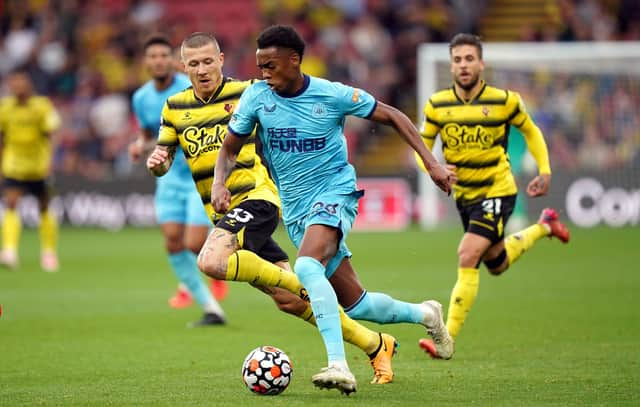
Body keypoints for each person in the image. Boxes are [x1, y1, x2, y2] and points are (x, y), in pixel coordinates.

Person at [146, 32, 401, 391]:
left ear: (221, 59)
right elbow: (163, 159)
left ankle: (308, 282)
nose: (202, 69)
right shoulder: (174, 107)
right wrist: (157, 161)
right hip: (221, 214)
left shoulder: (252, 91)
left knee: (211, 261)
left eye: (208, 61)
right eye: (193, 64)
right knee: (290, 301)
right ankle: (375, 344)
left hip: (257, 199)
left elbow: (291, 94)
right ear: (182, 67)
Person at [213, 25, 457, 394]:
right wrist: (219, 182)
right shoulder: (256, 98)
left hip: (334, 192)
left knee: (307, 267)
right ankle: (426, 314)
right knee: (356, 306)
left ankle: (338, 365)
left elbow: (394, 116)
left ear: (294, 61)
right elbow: (230, 149)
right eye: (260, 66)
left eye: (271, 66)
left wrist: (432, 164)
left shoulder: (333, 95)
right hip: (295, 210)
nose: (264, 74)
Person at [414, 33, 570, 359]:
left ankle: (446, 338)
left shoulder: (504, 100)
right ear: (452, 65)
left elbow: (531, 130)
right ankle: (545, 226)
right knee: (496, 263)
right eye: (457, 60)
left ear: (481, 63)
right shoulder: (438, 105)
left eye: (469, 59)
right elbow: (421, 148)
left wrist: (545, 170)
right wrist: (434, 168)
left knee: (467, 254)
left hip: (499, 188)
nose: (464, 65)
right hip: (465, 196)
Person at [130, 33, 226, 327]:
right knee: (173, 242)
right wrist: (140, 145)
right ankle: (211, 308)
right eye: (153, 56)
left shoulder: (190, 88)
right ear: (145, 62)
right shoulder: (141, 98)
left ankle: (229, 262)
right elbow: (150, 134)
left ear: (174, 61)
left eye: (163, 56)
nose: (159, 61)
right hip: (169, 180)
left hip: (199, 177)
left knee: (195, 243)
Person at [0, 68, 61, 272]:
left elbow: (52, 134)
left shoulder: (42, 106)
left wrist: (51, 160)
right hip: (14, 165)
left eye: (20, 81)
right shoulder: (5, 108)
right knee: (11, 203)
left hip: (38, 166)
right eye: (13, 82)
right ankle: (9, 250)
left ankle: (49, 252)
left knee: (43, 206)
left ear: (29, 84)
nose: (16, 86)